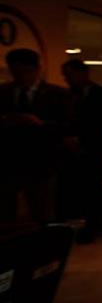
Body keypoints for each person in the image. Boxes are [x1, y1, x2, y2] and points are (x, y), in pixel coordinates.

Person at [0, 48, 72, 224]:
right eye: (15, 72)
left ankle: (43, 247)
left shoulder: (58, 94)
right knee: (4, 212)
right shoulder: (3, 92)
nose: (21, 77)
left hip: (42, 161)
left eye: (26, 71)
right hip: (7, 161)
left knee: (42, 211)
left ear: (37, 69)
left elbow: (69, 126)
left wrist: (41, 124)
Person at [59, 58, 102, 242]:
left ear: (83, 73)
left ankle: (91, 227)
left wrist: (82, 139)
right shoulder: (65, 96)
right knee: (69, 191)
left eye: (70, 75)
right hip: (69, 152)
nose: (68, 80)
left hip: (93, 149)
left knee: (91, 189)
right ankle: (72, 229)